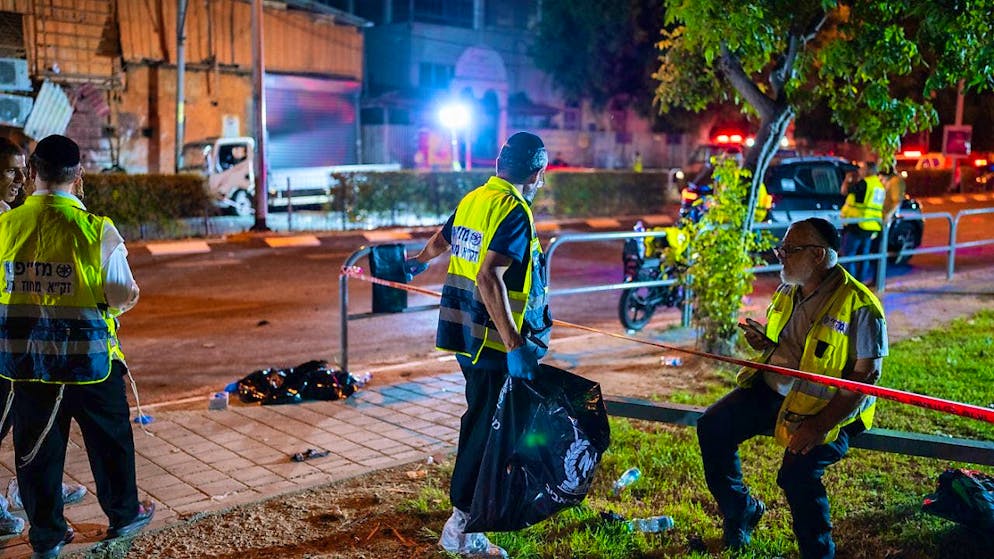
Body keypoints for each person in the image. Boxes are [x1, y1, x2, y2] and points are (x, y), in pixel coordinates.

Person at [0, 135, 155, 558]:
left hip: (28, 365)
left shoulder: (5, 227)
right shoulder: (95, 229)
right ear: (78, 176)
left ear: (32, 174)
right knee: (110, 442)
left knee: (35, 452)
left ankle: (47, 537)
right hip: (90, 365)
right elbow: (122, 293)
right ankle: (124, 514)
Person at [696, 217, 887, 559]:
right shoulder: (788, 290)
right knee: (712, 426)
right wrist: (763, 342)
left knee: (797, 476)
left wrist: (818, 426)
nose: (780, 255)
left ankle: (819, 553)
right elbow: (788, 346)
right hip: (774, 392)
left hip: (830, 410)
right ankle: (741, 510)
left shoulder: (861, 307)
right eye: (780, 248)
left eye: (789, 249)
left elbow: (865, 380)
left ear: (818, 255)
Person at [406, 131, 552, 558]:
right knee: (487, 433)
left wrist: (418, 261)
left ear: (499, 164)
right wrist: (514, 345)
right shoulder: (513, 210)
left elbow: (444, 237)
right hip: (492, 344)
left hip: (466, 335)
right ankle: (463, 527)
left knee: (482, 424)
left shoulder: (475, 199)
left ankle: (469, 519)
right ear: (538, 172)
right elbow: (490, 276)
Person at [0, 138, 89, 539]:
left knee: (25, 422)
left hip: (17, 344)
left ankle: (33, 489)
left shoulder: (10, 215)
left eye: (24, 170)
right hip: (8, 344)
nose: (21, 179)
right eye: (10, 171)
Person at [840, 161, 886, 283]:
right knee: (864, 256)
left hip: (858, 224)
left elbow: (845, 191)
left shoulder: (865, 183)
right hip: (871, 225)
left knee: (848, 255)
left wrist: (847, 179)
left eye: (862, 169)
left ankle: (850, 283)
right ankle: (860, 282)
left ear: (869, 171)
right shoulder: (879, 185)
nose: (859, 171)